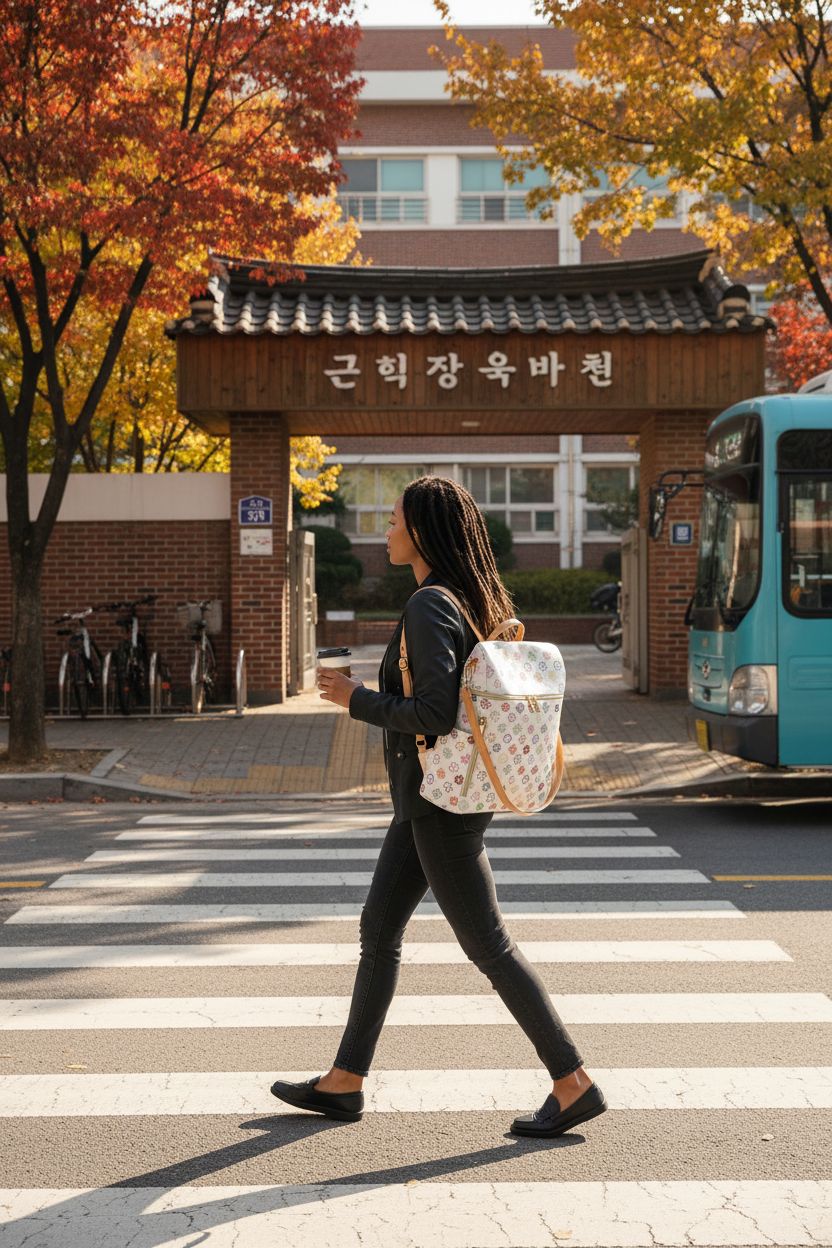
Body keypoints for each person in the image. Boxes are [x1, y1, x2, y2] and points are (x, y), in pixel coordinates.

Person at [270, 476, 606, 1138]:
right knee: (379, 929)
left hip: (440, 806)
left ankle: (572, 1081)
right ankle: (345, 1081)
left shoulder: (430, 603)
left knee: (489, 944)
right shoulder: (467, 597)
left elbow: (434, 712)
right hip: (432, 798)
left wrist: (354, 698)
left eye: (393, 521)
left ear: (420, 531)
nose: (385, 532)